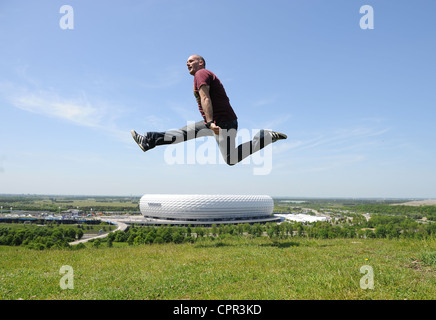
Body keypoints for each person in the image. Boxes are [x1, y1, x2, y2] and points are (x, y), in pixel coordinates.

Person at [131, 55, 287, 166]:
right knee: (181, 134)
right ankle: (148, 140)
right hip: (214, 122)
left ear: (201, 62)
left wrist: (211, 122)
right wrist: (209, 122)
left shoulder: (201, 73)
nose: (187, 64)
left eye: (190, 61)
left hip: (221, 122)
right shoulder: (201, 75)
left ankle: (264, 137)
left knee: (231, 159)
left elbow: (206, 98)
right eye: (186, 62)